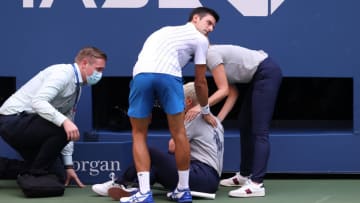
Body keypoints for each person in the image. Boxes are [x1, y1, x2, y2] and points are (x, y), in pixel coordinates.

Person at [125, 7, 220, 203]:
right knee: (179, 133)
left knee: (138, 133)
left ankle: (144, 193)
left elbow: (143, 63)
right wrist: (205, 110)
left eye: (213, 26)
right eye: (208, 23)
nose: (210, 29)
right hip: (170, 78)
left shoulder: (162, 30)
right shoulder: (201, 40)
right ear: (195, 18)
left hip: (141, 76)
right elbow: (200, 82)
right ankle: (183, 190)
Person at [92, 82, 224, 200]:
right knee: (155, 166)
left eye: (179, 99)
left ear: (188, 101)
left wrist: (181, 121)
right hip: (210, 180)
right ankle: (136, 188)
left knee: (150, 152)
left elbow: (172, 147)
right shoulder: (216, 120)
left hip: (200, 176)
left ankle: (120, 182)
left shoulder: (193, 117)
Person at [0, 46, 107, 188]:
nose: (100, 74)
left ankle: (22, 170)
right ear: (84, 63)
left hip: (31, 126)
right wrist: (64, 121)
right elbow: (38, 102)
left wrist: (68, 165)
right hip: (12, 120)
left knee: (57, 176)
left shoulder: (77, 88)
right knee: (63, 127)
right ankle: (36, 173)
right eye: (98, 69)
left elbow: (69, 127)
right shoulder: (62, 73)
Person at [187, 44, 282, 197]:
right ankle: (244, 175)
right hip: (259, 76)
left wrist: (201, 108)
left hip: (267, 72)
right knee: (245, 123)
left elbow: (224, 91)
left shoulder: (210, 55)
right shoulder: (207, 60)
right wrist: (217, 121)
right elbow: (233, 92)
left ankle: (257, 183)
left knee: (260, 131)